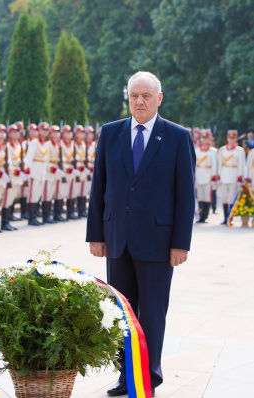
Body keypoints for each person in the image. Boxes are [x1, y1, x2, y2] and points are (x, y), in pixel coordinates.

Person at [86, 71, 195, 397]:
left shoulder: (176, 136)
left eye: (146, 95)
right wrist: (96, 234)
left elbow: (186, 195)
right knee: (122, 311)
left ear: (159, 98)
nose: (140, 101)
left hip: (159, 244)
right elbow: (99, 187)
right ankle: (126, 376)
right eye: (134, 95)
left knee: (152, 313)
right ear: (128, 97)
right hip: (118, 239)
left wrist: (180, 243)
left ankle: (149, 375)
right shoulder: (111, 133)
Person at [218, 130, 245, 224]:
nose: (231, 140)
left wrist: (240, 177)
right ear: (227, 138)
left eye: (233, 138)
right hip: (224, 175)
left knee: (232, 198)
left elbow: (242, 165)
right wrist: (218, 176)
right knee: (224, 198)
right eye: (230, 138)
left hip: (234, 175)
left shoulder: (239, 151)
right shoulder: (222, 150)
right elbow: (219, 164)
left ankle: (230, 218)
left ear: (236, 139)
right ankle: (225, 217)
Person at [195, 129, 218, 222]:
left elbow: (214, 165)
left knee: (207, 197)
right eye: (203, 138)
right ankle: (200, 216)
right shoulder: (197, 150)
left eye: (206, 138)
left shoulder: (213, 151)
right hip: (199, 175)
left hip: (208, 176)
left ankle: (205, 216)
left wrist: (213, 177)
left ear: (209, 139)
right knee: (200, 197)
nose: (204, 140)